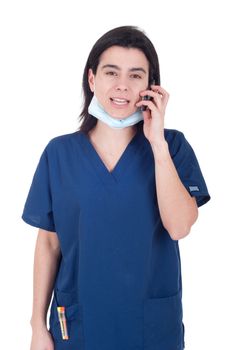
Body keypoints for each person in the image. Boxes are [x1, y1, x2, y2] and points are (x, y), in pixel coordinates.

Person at [22, 25, 211, 350]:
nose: (123, 85)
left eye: (136, 75)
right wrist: (37, 326)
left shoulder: (172, 147)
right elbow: (49, 245)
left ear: (152, 87)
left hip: (150, 329)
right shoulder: (59, 153)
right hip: (78, 325)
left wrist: (157, 144)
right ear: (92, 79)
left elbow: (179, 226)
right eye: (112, 72)